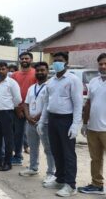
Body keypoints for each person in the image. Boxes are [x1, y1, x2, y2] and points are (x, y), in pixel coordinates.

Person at [39, 52, 83, 197]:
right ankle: (60, 179)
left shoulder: (73, 80)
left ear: (66, 63)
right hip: (52, 119)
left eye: (60, 60)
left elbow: (78, 104)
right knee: (56, 151)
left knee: (68, 153)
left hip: (66, 120)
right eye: (55, 60)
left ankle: (70, 185)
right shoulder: (51, 81)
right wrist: (42, 121)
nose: (56, 63)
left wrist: (75, 125)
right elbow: (46, 103)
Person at [20, 62, 55, 183]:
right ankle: (33, 167)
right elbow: (26, 104)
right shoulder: (31, 88)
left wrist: (38, 117)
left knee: (48, 148)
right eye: (38, 70)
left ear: (47, 71)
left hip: (44, 123)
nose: (40, 72)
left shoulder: (50, 86)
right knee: (33, 147)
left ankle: (51, 173)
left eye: (42, 70)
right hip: (30, 122)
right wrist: (28, 116)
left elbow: (48, 105)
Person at [0, 61, 22, 172]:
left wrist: (10, 107)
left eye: (3, 69)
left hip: (7, 113)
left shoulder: (12, 83)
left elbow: (18, 99)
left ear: (7, 70)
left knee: (8, 139)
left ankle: (7, 162)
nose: (1, 71)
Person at [79, 53, 106, 194]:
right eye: (100, 64)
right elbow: (88, 103)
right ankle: (97, 185)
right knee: (95, 159)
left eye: (105, 64)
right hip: (93, 128)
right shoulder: (94, 81)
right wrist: (85, 123)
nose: (103, 66)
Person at [11, 52, 37, 166]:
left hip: (33, 109)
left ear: (31, 60)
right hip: (18, 109)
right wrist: (17, 108)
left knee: (34, 135)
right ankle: (17, 156)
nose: (24, 60)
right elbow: (11, 92)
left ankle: (34, 162)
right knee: (18, 133)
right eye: (22, 58)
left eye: (27, 58)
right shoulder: (14, 75)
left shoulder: (36, 73)